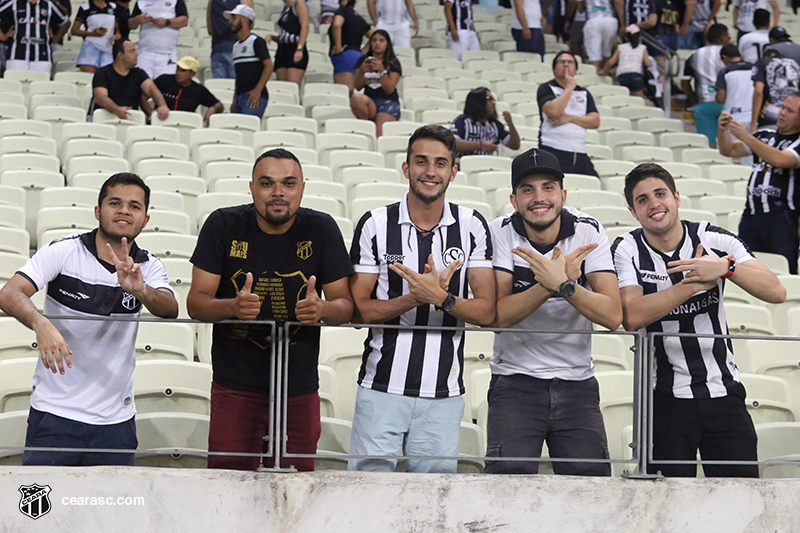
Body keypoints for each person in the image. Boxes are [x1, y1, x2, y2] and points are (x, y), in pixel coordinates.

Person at [612, 162, 786, 477]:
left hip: (724, 393)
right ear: (632, 210)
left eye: (660, 193)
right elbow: (632, 316)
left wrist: (726, 268)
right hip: (664, 400)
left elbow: (776, 292)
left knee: (740, 500)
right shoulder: (628, 248)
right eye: (642, 200)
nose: (654, 204)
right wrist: (693, 283)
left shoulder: (713, 238)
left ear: (676, 197)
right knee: (667, 508)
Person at [186, 148, 354, 471]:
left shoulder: (322, 229)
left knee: (296, 489)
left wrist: (321, 309)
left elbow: (345, 306)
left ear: (302, 188)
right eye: (267, 183)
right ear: (251, 188)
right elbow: (195, 302)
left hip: (299, 387)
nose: (278, 193)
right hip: (235, 385)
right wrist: (232, 306)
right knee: (227, 486)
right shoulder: (223, 224)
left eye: (289, 184)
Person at [0, 173, 179, 466]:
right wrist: (41, 323)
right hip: (55, 415)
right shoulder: (64, 251)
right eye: (115, 203)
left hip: (116, 422)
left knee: (109, 509)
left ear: (145, 219)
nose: (124, 210)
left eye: (134, 206)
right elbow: (9, 293)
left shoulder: (149, 265)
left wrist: (142, 290)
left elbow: (170, 308)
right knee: (45, 510)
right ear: (98, 211)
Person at [348, 125, 496, 473]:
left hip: (443, 394)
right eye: (421, 161)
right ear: (406, 168)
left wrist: (443, 299)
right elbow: (358, 312)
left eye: (440, 163)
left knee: (434, 504)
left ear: (453, 172)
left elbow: (488, 312)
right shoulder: (375, 223)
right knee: (363, 496)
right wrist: (415, 298)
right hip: (380, 386)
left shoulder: (472, 225)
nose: (430, 171)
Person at [484, 148, 622, 476]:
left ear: (562, 194)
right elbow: (499, 318)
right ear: (514, 199)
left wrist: (564, 286)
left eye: (548, 187)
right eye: (527, 190)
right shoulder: (500, 230)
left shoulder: (588, 230)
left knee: (592, 496)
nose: (538, 197)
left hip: (578, 382)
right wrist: (548, 285)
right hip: (514, 381)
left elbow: (613, 315)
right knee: (506, 493)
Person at [718, 96, 800, 274]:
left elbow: (781, 159)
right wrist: (722, 131)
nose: (782, 113)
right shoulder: (765, 135)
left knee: (782, 270)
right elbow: (729, 150)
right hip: (751, 215)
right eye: (783, 107)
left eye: (790, 111)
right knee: (744, 270)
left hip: (782, 217)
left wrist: (747, 137)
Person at [537, 51, 601, 177]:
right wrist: (569, 88)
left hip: (579, 150)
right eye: (561, 62)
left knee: (593, 182)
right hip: (552, 148)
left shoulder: (584, 93)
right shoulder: (546, 88)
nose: (566, 65)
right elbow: (553, 111)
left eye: (570, 62)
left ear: (576, 69)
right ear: (554, 69)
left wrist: (569, 117)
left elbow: (595, 121)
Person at [90, 39, 170, 121]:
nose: (137, 54)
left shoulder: (139, 73)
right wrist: (116, 109)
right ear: (121, 55)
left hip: (131, 120)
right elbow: (101, 97)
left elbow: (151, 88)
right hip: (105, 119)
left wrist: (162, 105)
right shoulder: (103, 73)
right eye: (132, 51)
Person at [681, 23, 729, 147]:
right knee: (729, 146)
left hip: (704, 104)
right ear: (722, 39)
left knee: (708, 146)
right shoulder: (730, 54)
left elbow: (685, 83)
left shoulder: (694, 55)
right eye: (728, 37)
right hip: (728, 104)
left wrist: (694, 101)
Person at [350, 30, 401, 137]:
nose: (377, 43)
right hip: (370, 101)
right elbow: (358, 87)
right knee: (356, 98)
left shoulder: (393, 62)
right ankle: (366, 126)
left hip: (388, 101)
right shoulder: (363, 60)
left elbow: (389, 89)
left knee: (379, 134)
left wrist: (382, 71)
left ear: (387, 44)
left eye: (381, 40)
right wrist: (361, 72)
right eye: (374, 40)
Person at [450, 87, 521, 161]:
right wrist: (481, 145)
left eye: (493, 99)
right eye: (489, 99)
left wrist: (510, 124)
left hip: (488, 164)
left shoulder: (495, 125)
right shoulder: (462, 122)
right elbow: (452, 143)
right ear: (478, 102)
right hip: (465, 165)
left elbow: (515, 145)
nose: (493, 102)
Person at [227, 4, 273, 118]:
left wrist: (257, 90)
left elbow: (269, 66)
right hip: (240, 96)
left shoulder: (256, 41)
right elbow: (239, 76)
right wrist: (234, 99)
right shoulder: (235, 46)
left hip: (253, 97)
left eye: (234, 18)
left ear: (244, 19)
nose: (230, 22)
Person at [750, 26, 800, 131]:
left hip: (771, 109)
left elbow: (758, 91)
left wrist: (754, 120)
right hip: (794, 110)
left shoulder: (765, 59)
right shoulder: (797, 52)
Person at [0, 0, 70, 72]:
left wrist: (55, 39)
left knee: (40, 82)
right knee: (15, 82)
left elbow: (65, 22)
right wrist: (3, 37)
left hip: (43, 56)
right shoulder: (14, 3)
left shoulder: (48, 4)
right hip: (16, 56)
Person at [715, 43, 754, 166]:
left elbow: (721, 98)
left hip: (733, 117)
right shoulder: (755, 69)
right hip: (752, 116)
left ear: (725, 57)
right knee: (749, 154)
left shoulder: (725, 71)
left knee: (728, 154)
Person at [128, 0, 188, 80]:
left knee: (165, 87)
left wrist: (167, 22)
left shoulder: (176, 1)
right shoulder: (141, 1)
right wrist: (138, 20)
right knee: (141, 85)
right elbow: (130, 25)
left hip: (167, 54)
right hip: (144, 54)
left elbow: (184, 21)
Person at [154, 56, 224, 124]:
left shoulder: (198, 90)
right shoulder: (164, 80)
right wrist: (149, 113)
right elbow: (146, 92)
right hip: (160, 122)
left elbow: (219, 105)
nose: (178, 73)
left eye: (182, 70)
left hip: (185, 124)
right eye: (177, 69)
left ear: (193, 74)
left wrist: (213, 109)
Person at [329, 0, 372, 92]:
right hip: (358, 56)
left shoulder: (341, 12)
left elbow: (337, 24)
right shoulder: (358, 18)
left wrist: (338, 46)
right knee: (353, 91)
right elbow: (374, 35)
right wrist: (364, 51)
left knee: (344, 92)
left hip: (344, 57)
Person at [600, 24, 653, 98]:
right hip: (636, 74)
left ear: (626, 38)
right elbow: (648, 63)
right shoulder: (642, 48)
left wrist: (604, 71)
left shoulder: (621, 47)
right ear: (640, 37)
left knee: (625, 96)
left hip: (622, 75)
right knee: (638, 98)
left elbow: (611, 61)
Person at [207, 0, 254, 79]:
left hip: (217, 48)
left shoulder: (211, 1)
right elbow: (250, 25)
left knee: (219, 87)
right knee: (237, 86)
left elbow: (210, 29)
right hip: (238, 48)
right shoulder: (245, 1)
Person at [71, 0, 120, 73]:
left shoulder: (113, 7)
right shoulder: (85, 7)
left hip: (108, 48)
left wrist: (117, 35)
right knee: (89, 78)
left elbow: (117, 28)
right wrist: (92, 33)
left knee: (107, 79)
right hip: (90, 47)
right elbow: (74, 30)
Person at [272, 0, 310, 86]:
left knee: (292, 83)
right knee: (281, 84)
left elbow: (305, 25)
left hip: (294, 46)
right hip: (282, 48)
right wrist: (273, 37)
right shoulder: (286, 8)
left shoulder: (299, 3)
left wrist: (300, 48)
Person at [580, 0, 619, 72]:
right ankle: (604, 75)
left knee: (594, 56)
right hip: (610, 20)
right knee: (606, 54)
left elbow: (580, 9)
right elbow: (618, 2)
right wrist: (622, 23)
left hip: (593, 20)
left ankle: (594, 78)